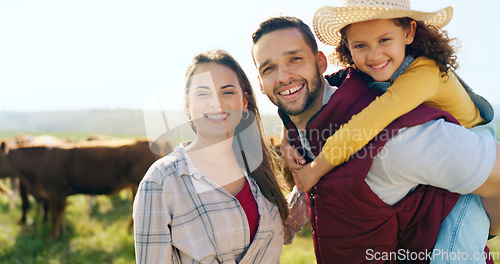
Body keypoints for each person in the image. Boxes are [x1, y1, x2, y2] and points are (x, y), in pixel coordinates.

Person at [251, 14, 500, 263]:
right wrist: (286, 141)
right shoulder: (354, 85)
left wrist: (488, 227)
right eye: (269, 68)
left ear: (320, 62)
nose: (283, 76)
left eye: (295, 59)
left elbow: (365, 125)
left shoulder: (400, 136)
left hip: (474, 132)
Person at [132, 49, 289, 263]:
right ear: (188, 105)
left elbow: (280, 233)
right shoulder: (161, 181)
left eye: (227, 92)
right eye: (204, 93)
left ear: (244, 103)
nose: (217, 103)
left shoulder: (259, 172)